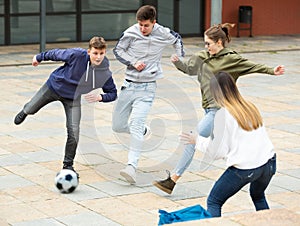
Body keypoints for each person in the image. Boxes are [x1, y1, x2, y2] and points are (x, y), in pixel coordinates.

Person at [153, 23, 284, 194]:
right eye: (204, 43)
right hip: (208, 109)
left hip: (219, 109)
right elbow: (190, 69)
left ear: (220, 42)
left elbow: (252, 66)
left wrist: (271, 71)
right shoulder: (202, 56)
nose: (206, 47)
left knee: (193, 139)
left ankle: (172, 180)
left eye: (208, 43)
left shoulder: (231, 59)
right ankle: (242, 163)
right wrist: (178, 63)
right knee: (216, 143)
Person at [14, 36, 117, 177]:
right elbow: (56, 54)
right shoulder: (77, 55)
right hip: (54, 87)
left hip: (73, 99)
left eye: (101, 53)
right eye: (95, 53)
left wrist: (101, 97)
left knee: (74, 131)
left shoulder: (104, 71)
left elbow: (113, 93)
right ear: (89, 52)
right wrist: (38, 57)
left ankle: (68, 165)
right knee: (31, 108)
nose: (98, 57)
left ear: (105, 53)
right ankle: (25, 110)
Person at [180, 71, 277, 217]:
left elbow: (217, 152)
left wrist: (197, 140)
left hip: (246, 168)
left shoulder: (223, 115)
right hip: (269, 163)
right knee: (258, 196)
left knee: (214, 201)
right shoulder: (249, 106)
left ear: (215, 93)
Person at [112, 5, 185, 184]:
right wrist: (133, 62)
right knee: (118, 126)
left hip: (147, 88)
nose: (142, 29)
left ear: (154, 22)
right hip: (128, 86)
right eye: (140, 25)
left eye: (146, 25)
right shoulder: (130, 32)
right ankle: (144, 131)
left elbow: (177, 40)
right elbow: (118, 51)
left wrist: (179, 56)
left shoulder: (163, 33)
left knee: (136, 124)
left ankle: (131, 166)